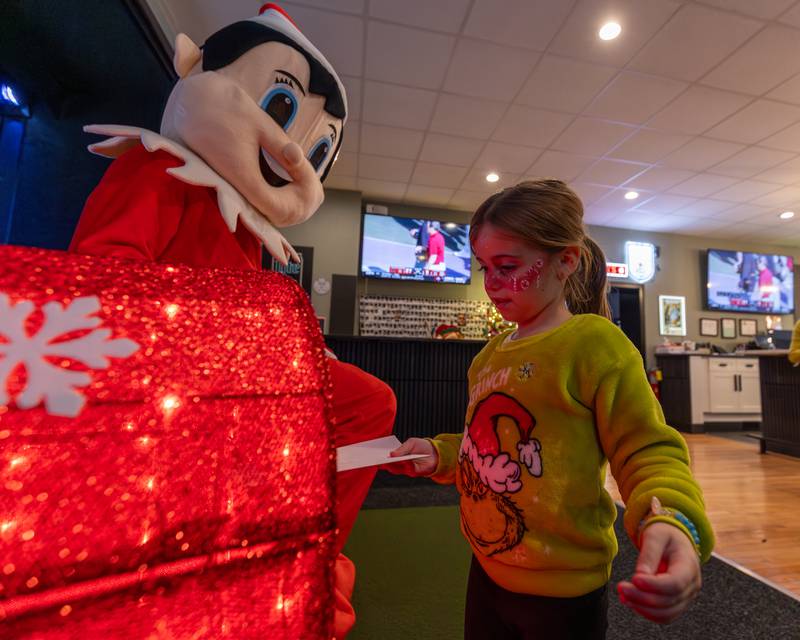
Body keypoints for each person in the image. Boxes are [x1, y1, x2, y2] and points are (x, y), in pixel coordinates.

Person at [68, 5, 394, 637]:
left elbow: (245, 315)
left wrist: (285, 345)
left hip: (229, 385)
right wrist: (228, 344)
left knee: (368, 403)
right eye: (281, 109)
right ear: (197, 71)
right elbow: (103, 284)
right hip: (162, 387)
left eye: (317, 144)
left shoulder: (243, 224)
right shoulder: (156, 167)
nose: (296, 151)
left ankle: (306, 541)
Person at [391, 179, 713, 639]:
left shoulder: (594, 344)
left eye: (507, 266)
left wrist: (674, 519)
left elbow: (646, 449)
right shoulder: (488, 356)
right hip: (485, 566)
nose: (493, 284)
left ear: (565, 261)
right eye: (485, 268)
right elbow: (485, 447)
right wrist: (440, 454)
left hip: (563, 594)